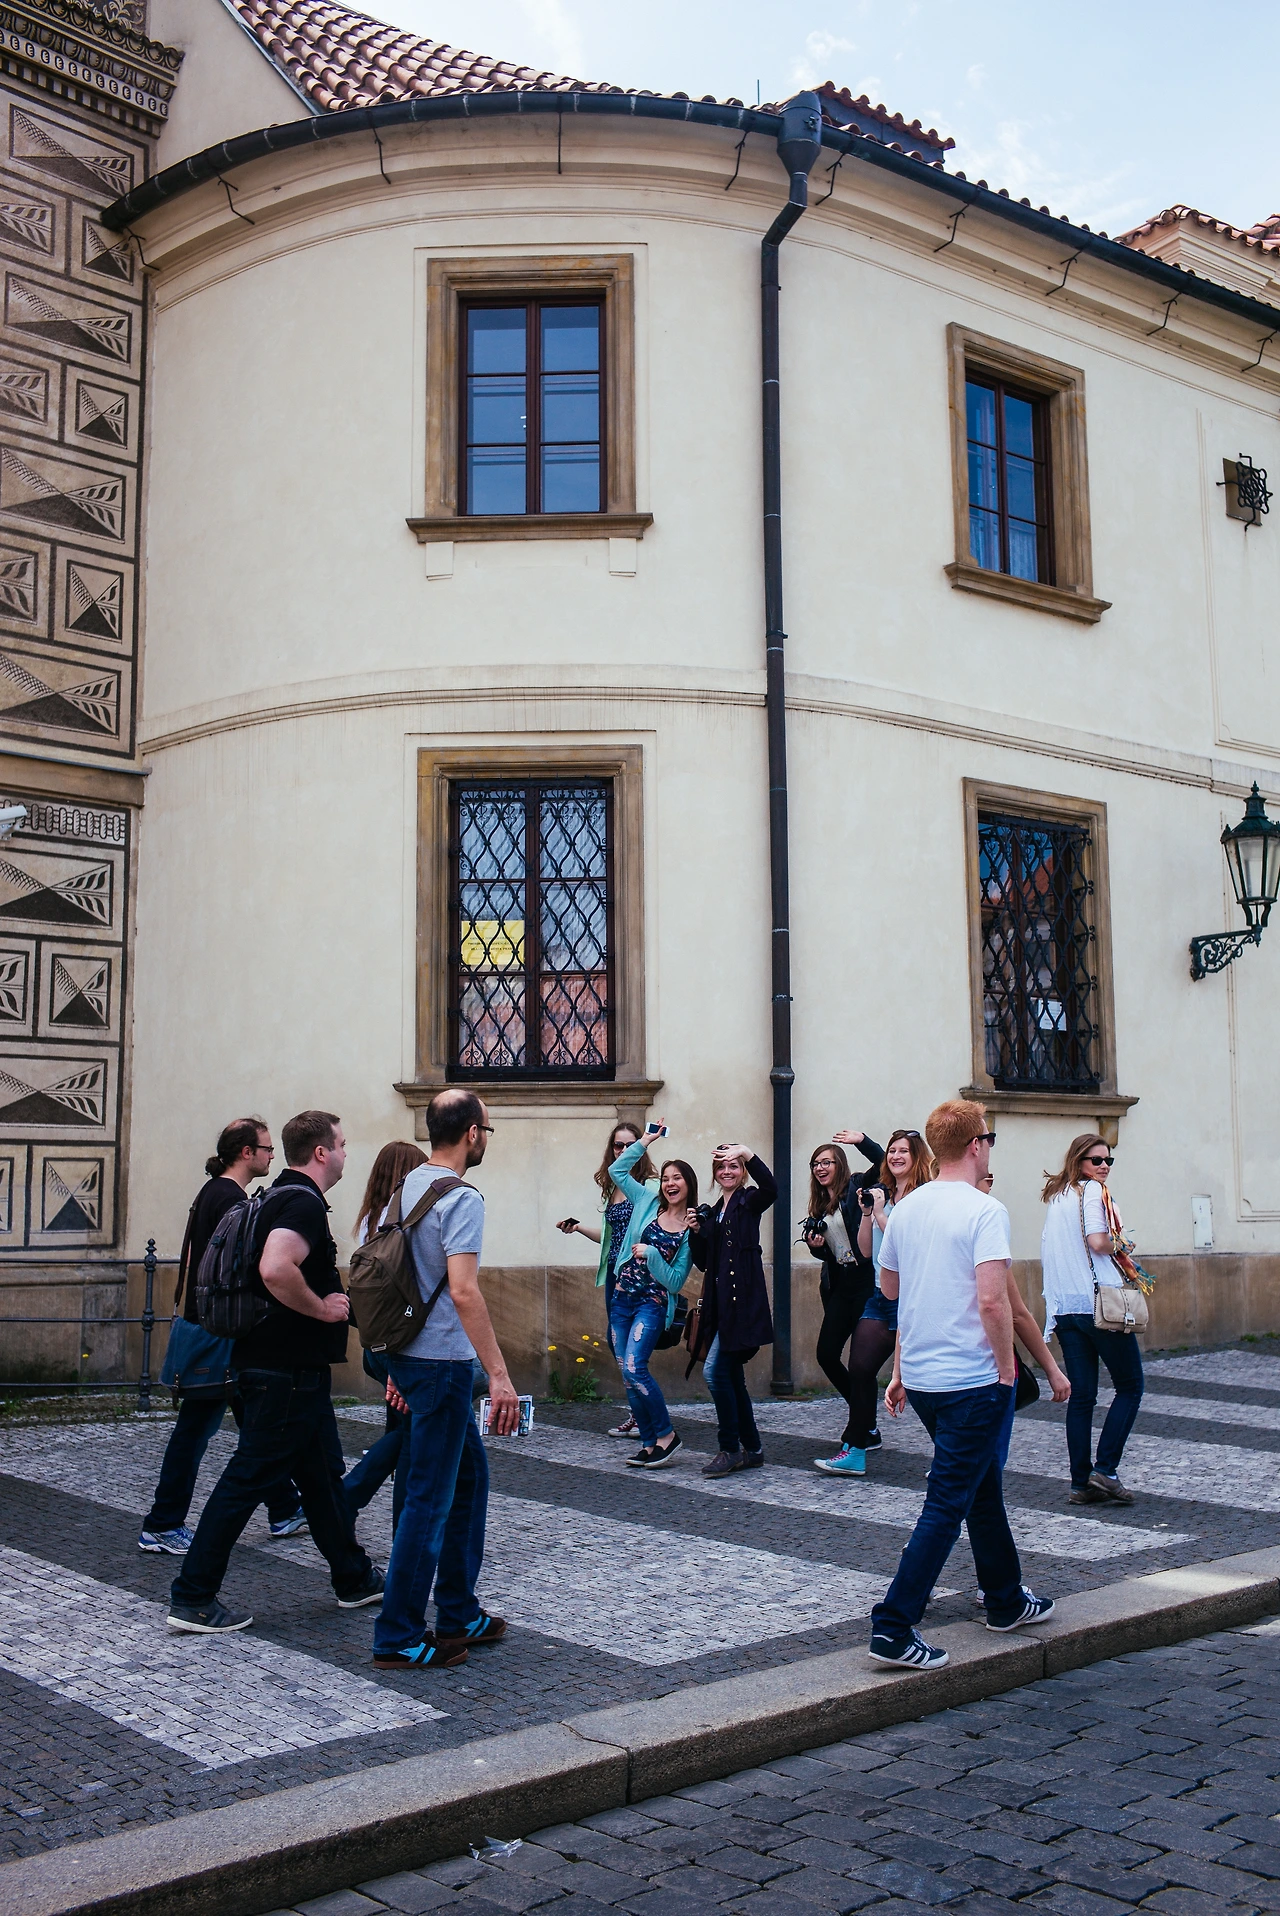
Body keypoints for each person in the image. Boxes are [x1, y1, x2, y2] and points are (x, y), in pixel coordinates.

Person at [167, 1111, 383, 1634]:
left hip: (289, 1369)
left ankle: (353, 1578)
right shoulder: (301, 1203)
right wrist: (323, 1308)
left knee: (321, 1477)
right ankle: (193, 1596)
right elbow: (275, 1267)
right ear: (321, 1153)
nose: (346, 1154)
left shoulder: (275, 1197)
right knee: (246, 1479)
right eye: (342, 1144)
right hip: (283, 1370)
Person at [869, 1099, 1053, 1669]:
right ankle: (893, 1626)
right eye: (988, 1139)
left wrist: (902, 1371)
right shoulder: (985, 1210)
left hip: (925, 1379)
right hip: (972, 1378)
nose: (989, 1148)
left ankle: (1005, 1600)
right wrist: (1006, 1370)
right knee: (948, 1503)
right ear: (977, 1145)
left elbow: (891, 1290)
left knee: (980, 1487)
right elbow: (994, 1301)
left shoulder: (906, 1209)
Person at [373, 1089, 520, 1671]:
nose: (486, 1138)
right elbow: (463, 1290)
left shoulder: (402, 1190)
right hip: (442, 1366)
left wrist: (394, 1362)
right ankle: (398, 1635)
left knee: (467, 1481)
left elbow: (386, 1280)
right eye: (487, 1129)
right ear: (472, 1134)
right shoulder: (460, 1196)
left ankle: (458, 1611)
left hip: (414, 1359)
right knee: (429, 1500)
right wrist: (499, 1375)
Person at [139, 1118, 306, 1554]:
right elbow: (233, 1267)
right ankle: (162, 1523)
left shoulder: (212, 1192)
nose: (272, 1156)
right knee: (196, 1430)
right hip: (216, 1332)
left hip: (213, 1327)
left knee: (255, 1424)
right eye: (267, 1149)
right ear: (246, 1153)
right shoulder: (230, 1198)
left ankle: (285, 1507)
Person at [808, 1129, 920, 1477]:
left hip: (886, 1290)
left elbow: (881, 1161)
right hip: (859, 1288)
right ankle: (861, 1434)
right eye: (816, 1163)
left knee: (922, 1381)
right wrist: (816, 1246)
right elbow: (862, 1248)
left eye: (827, 1162)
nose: (821, 1168)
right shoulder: (827, 1202)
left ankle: (864, 1432)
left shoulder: (864, 1187)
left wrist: (861, 1141)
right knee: (842, 1361)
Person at [1041, 1134, 1143, 1506]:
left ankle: (1080, 1483)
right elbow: (1098, 1242)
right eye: (1095, 1160)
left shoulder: (1058, 1197)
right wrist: (1123, 1245)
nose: (1103, 1167)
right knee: (1130, 1386)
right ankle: (1106, 1470)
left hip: (1066, 1307)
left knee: (1083, 1396)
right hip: (1097, 1304)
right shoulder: (1093, 1192)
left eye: (1108, 1161)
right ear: (1078, 1160)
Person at [341, 1140, 429, 1538]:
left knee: (403, 1431)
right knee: (409, 1438)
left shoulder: (370, 1222)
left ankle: (353, 1504)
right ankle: (350, 1501)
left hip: (375, 1345)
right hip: (401, 1345)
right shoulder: (404, 1225)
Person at [556, 1120, 657, 1440]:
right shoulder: (613, 1188)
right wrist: (578, 1228)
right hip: (614, 1274)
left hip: (636, 1277)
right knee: (618, 1344)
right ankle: (639, 1413)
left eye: (630, 1144)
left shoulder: (649, 1187)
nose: (623, 1150)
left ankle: (647, 1417)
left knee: (631, 1350)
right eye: (618, 1145)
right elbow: (610, 1238)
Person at [606, 1123, 696, 1469]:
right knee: (626, 1373)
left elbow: (674, 1282)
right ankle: (648, 1442)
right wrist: (646, 1140)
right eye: (666, 1178)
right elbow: (617, 1171)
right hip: (621, 1299)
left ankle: (667, 1435)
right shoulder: (647, 1200)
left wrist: (652, 1254)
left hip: (652, 1305)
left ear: (688, 1185)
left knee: (635, 1367)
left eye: (678, 1178)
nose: (670, 1184)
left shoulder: (690, 1230)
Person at [689, 1141, 776, 1478]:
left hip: (742, 1306)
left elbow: (771, 1188)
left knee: (714, 1373)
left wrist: (747, 1152)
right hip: (719, 1308)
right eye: (722, 1167)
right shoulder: (713, 1211)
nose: (727, 1171)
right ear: (715, 1174)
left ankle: (729, 1448)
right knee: (733, 1378)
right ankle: (752, 1449)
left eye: (733, 1165)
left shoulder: (749, 1201)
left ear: (742, 1172)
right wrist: (697, 1232)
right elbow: (702, 1262)